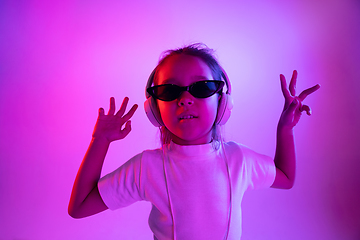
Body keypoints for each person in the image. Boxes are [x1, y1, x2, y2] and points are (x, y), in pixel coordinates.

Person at [68, 43, 320, 239]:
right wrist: (99, 141)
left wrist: (285, 128)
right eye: (169, 91)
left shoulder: (238, 159)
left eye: (201, 88)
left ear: (223, 103)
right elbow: (79, 207)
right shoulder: (146, 167)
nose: (185, 99)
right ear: (154, 109)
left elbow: (285, 179)